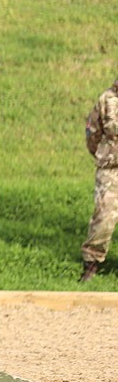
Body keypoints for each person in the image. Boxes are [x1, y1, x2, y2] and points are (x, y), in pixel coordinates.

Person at [81, 77, 118, 282]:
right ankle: (91, 262)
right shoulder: (107, 100)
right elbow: (92, 134)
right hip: (112, 170)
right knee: (104, 214)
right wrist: (105, 156)